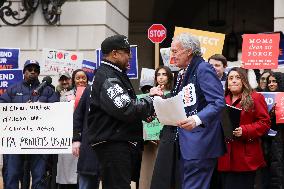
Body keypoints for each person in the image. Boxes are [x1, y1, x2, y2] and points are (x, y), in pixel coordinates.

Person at [87, 34, 156, 189]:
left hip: (116, 142)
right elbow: (126, 108)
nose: (130, 56)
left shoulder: (114, 73)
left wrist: (145, 112)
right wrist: (151, 99)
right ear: (115, 54)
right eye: (127, 52)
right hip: (113, 144)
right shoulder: (108, 76)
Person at [169, 33, 226, 189]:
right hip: (187, 142)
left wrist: (196, 119)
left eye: (175, 51)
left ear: (188, 51)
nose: (172, 55)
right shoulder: (183, 72)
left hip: (201, 141)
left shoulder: (203, 68)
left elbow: (218, 102)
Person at [0, 59, 58, 189]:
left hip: (39, 140)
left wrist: (39, 108)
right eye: (29, 69)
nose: (33, 72)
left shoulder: (48, 91)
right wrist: (21, 109)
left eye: (36, 70)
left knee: (39, 177)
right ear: (23, 72)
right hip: (15, 140)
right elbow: (2, 109)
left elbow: (56, 112)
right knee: (12, 175)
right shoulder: (12, 90)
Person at [217, 67, 271, 189]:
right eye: (230, 78)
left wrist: (245, 130)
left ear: (244, 81)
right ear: (227, 83)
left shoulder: (255, 97)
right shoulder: (221, 101)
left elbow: (265, 123)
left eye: (237, 77)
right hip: (224, 157)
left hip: (245, 158)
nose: (234, 81)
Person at [150, 66, 182, 189]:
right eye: (158, 74)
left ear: (169, 77)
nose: (161, 77)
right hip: (159, 136)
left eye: (164, 74)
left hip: (173, 133)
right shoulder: (151, 93)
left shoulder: (175, 93)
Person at [56, 69, 88, 189]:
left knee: (85, 175)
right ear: (73, 80)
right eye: (78, 78)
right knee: (68, 174)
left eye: (83, 78)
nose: (81, 80)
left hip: (86, 138)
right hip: (69, 138)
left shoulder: (93, 93)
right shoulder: (65, 96)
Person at [72, 70, 100, 189]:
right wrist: (76, 139)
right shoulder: (89, 90)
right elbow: (78, 116)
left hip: (104, 146)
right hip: (88, 144)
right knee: (86, 181)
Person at [264, 72, 284, 189]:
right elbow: (273, 127)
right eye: (269, 82)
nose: (271, 84)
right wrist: (273, 115)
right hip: (277, 141)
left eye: (274, 81)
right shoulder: (266, 99)